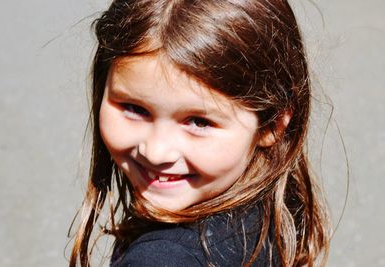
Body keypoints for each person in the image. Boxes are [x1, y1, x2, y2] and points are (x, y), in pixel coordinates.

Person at [69, 0, 331, 266]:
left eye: (199, 122)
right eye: (134, 108)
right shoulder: (273, 200)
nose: (156, 151)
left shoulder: (162, 259)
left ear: (271, 124)